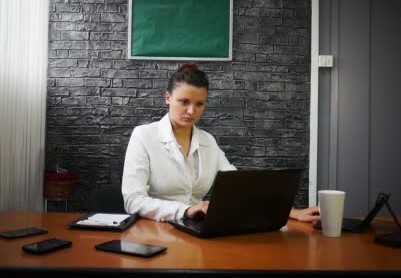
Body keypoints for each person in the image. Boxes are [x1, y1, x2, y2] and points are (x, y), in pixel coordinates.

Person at [121, 62, 320, 223]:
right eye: (184, 102)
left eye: (199, 104)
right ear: (168, 98)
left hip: (198, 230)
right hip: (155, 231)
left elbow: (240, 186)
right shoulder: (144, 136)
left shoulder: (207, 141)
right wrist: (186, 210)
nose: (192, 111)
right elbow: (133, 200)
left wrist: (290, 212)